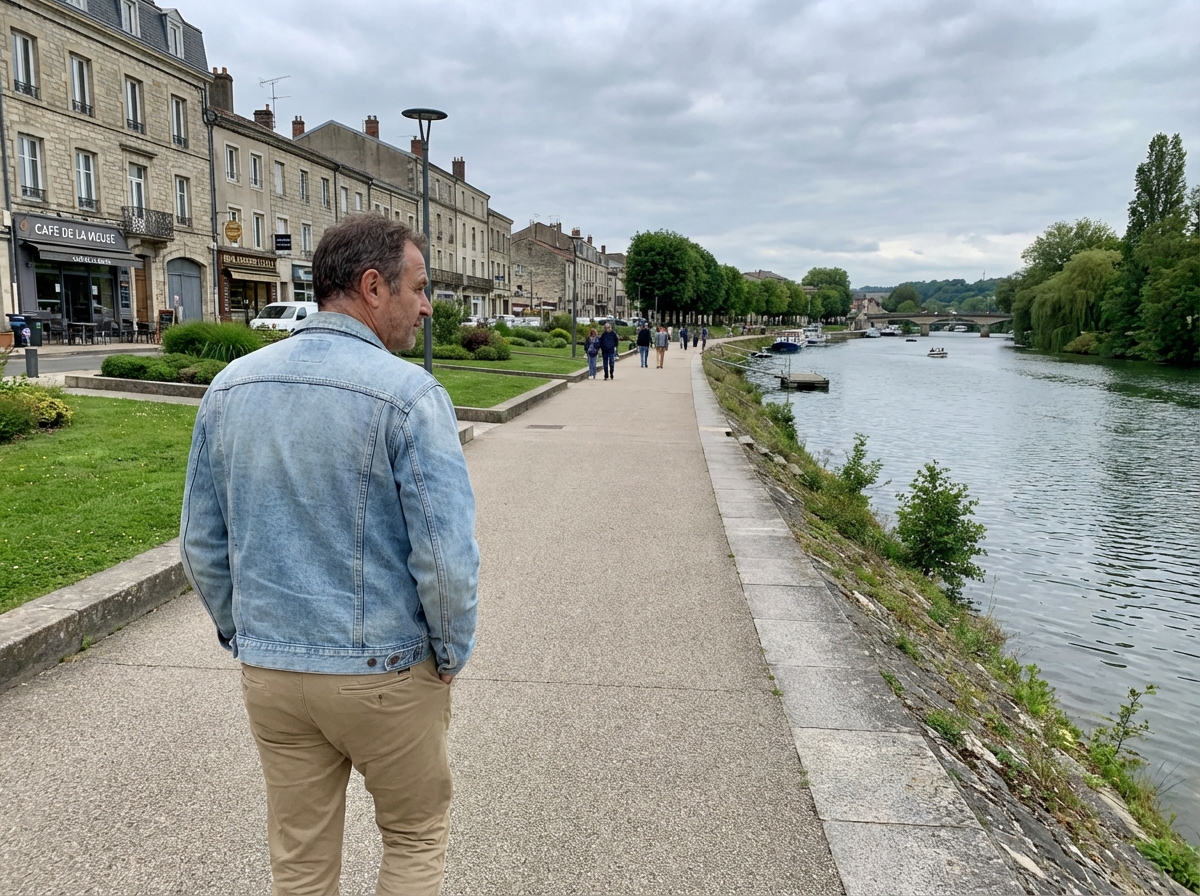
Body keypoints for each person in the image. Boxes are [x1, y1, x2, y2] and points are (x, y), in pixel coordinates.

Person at [180, 215, 479, 896]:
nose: (426, 306)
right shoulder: (410, 396)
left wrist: (245, 634)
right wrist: (449, 652)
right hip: (386, 669)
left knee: (301, 861)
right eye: (420, 287)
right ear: (374, 287)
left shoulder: (230, 387)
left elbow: (200, 541)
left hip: (274, 672)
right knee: (412, 837)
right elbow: (446, 556)